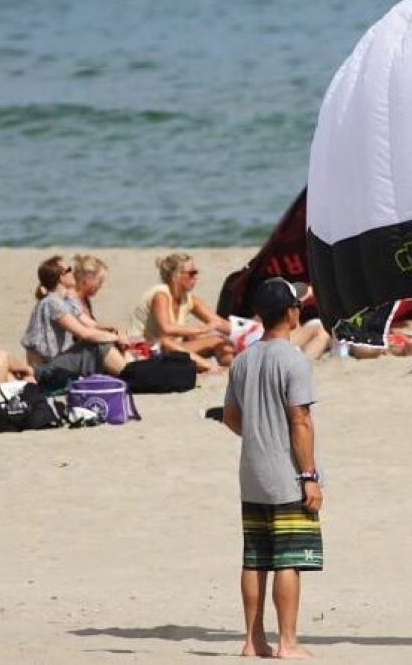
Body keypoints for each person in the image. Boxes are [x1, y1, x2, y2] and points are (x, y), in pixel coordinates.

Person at [223, 278, 324, 660]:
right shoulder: (293, 360)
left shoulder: (244, 358)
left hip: (252, 473)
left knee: (255, 558)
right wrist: (310, 476)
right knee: (288, 559)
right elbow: (301, 420)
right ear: (291, 312)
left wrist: (259, 434)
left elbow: (232, 417)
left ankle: (253, 641)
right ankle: (287, 643)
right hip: (286, 474)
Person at [21, 254, 128, 385]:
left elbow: (91, 325)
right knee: (100, 345)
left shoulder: (67, 300)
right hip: (46, 369)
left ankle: (131, 372)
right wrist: (114, 337)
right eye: (69, 270)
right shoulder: (51, 303)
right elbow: (84, 333)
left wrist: (115, 332)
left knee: (104, 340)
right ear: (61, 277)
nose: (73, 273)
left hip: (60, 361)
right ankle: (130, 377)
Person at [128, 253, 234, 372]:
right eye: (192, 273)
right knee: (175, 339)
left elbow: (218, 322)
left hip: (168, 350)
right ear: (176, 276)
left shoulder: (189, 299)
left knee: (221, 343)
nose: (196, 278)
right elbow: (166, 328)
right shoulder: (161, 295)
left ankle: (231, 366)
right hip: (144, 351)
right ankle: (210, 367)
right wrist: (202, 329)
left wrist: (250, 332)